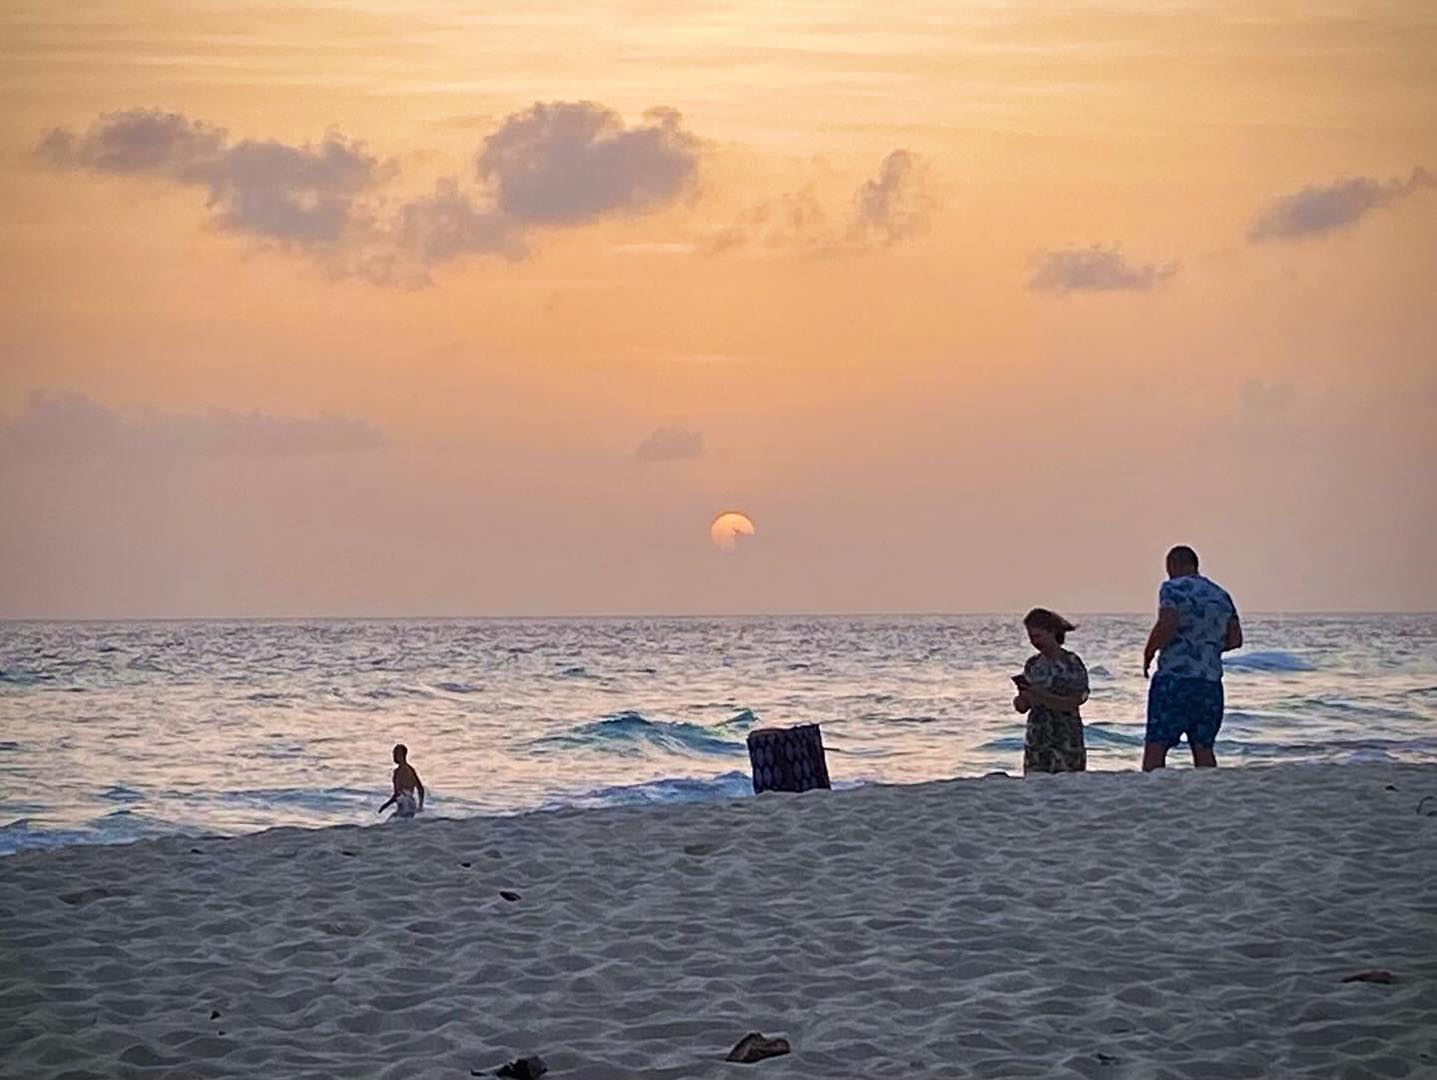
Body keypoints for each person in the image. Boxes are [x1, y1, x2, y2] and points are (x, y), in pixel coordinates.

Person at [1141, 545, 1242, 771]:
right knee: (1203, 747)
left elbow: (1168, 622)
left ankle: (1152, 792)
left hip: (1175, 678)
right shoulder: (1220, 594)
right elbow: (1235, 639)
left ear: (1172, 566)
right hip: (1209, 682)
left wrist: (1150, 650)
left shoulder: (1172, 588)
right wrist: (1205, 646)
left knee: (1157, 744)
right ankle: (1209, 794)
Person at [1012, 608, 1090, 775]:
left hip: (1066, 741)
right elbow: (1023, 706)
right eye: (1031, 637)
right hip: (1038, 741)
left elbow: (1075, 701)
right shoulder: (1033, 664)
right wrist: (1022, 699)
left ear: (1052, 632)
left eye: (1038, 636)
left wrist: (1041, 695)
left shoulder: (1071, 663)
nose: (1034, 642)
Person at [377, 743, 425, 817]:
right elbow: (420, 789)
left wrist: (384, 806)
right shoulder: (410, 769)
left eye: (395, 753)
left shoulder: (399, 772)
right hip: (411, 802)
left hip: (405, 802)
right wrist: (420, 806)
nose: (394, 756)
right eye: (393, 753)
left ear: (401, 755)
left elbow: (397, 794)